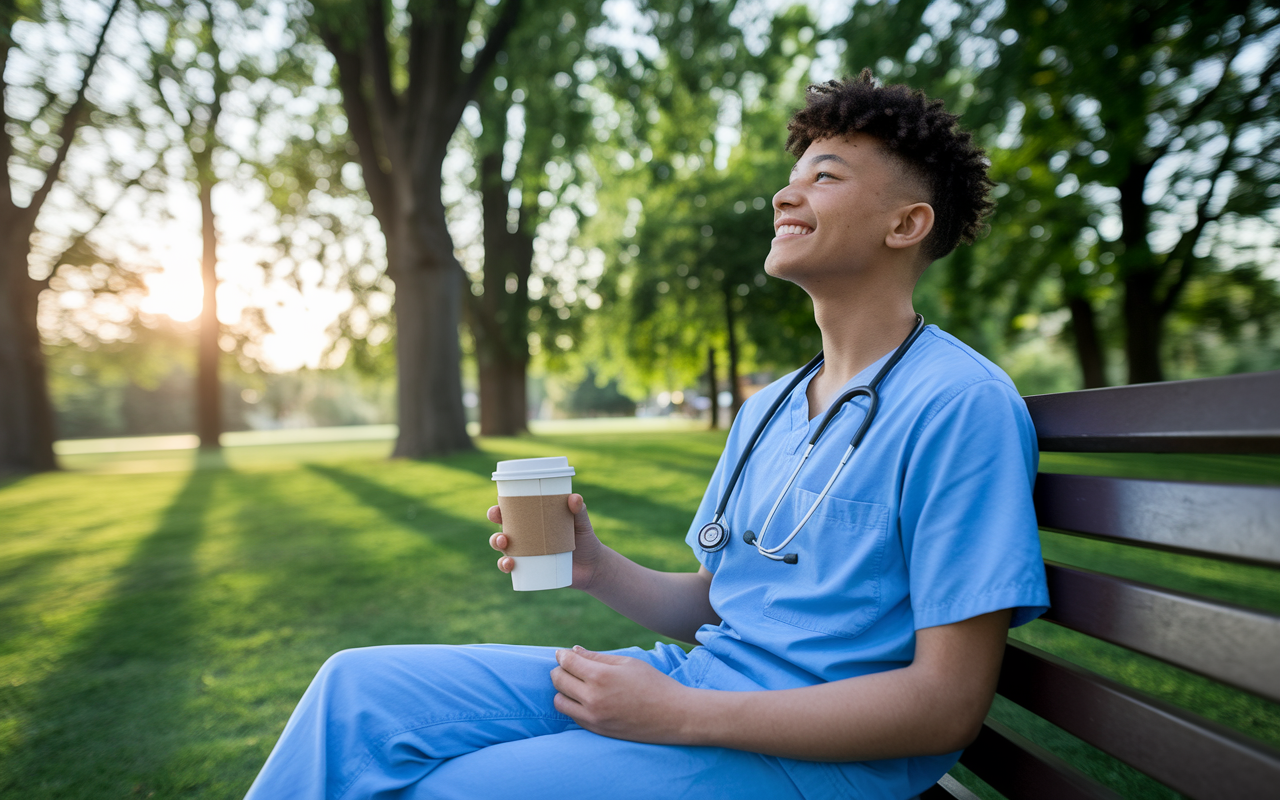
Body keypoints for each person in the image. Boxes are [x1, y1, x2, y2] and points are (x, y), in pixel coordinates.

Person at [244, 70, 1049, 800]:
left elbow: (943, 707)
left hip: (813, 763)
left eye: (825, 177)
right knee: (357, 695)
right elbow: (724, 603)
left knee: (453, 790)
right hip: (695, 685)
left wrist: (683, 716)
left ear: (906, 224)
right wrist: (595, 569)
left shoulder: (959, 405)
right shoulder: (770, 407)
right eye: (791, 175)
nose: (783, 195)